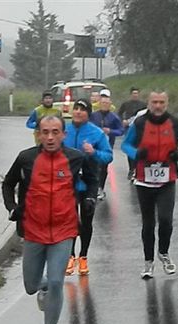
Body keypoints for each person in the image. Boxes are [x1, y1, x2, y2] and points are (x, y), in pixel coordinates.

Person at [1, 115, 98, 324]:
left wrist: (89, 198)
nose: (50, 137)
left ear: (63, 135)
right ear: (39, 135)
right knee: (31, 286)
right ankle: (42, 287)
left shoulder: (75, 157)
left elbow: (92, 177)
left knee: (57, 281)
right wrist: (12, 207)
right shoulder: (27, 158)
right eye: (45, 132)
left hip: (64, 230)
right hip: (34, 230)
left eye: (55, 132)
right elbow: (8, 183)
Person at [121, 90, 178, 279]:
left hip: (167, 178)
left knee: (165, 219)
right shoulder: (139, 123)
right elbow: (125, 145)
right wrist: (136, 154)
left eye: (162, 102)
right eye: (154, 102)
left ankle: (164, 252)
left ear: (167, 103)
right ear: (149, 102)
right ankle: (148, 262)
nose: (158, 106)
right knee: (148, 223)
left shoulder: (175, 122)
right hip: (144, 180)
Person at [63, 98, 112, 276]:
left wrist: (94, 152)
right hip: (67, 181)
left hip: (90, 180)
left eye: (82, 110)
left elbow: (108, 156)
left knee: (87, 216)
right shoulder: (63, 131)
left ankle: (83, 256)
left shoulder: (96, 133)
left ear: (88, 114)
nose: (78, 112)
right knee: (70, 219)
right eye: (76, 108)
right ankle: (70, 256)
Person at [90, 94, 123, 200]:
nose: (105, 105)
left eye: (107, 103)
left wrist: (110, 131)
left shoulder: (114, 117)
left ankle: (100, 187)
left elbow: (121, 130)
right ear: (99, 104)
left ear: (110, 105)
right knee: (93, 165)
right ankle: (93, 187)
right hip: (94, 144)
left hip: (107, 145)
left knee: (103, 166)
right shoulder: (93, 115)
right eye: (103, 103)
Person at [118, 87, 146, 181]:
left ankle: (138, 168)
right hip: (129, 128)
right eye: (134, 93)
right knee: (130, 148)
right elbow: (119, 113)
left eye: (137, 93)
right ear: (131, 94)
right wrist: (123, 121)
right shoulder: (126, 104)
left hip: (140, 129)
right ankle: (131, 169)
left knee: (140, 149)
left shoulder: (143, 104)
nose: (135, 95)